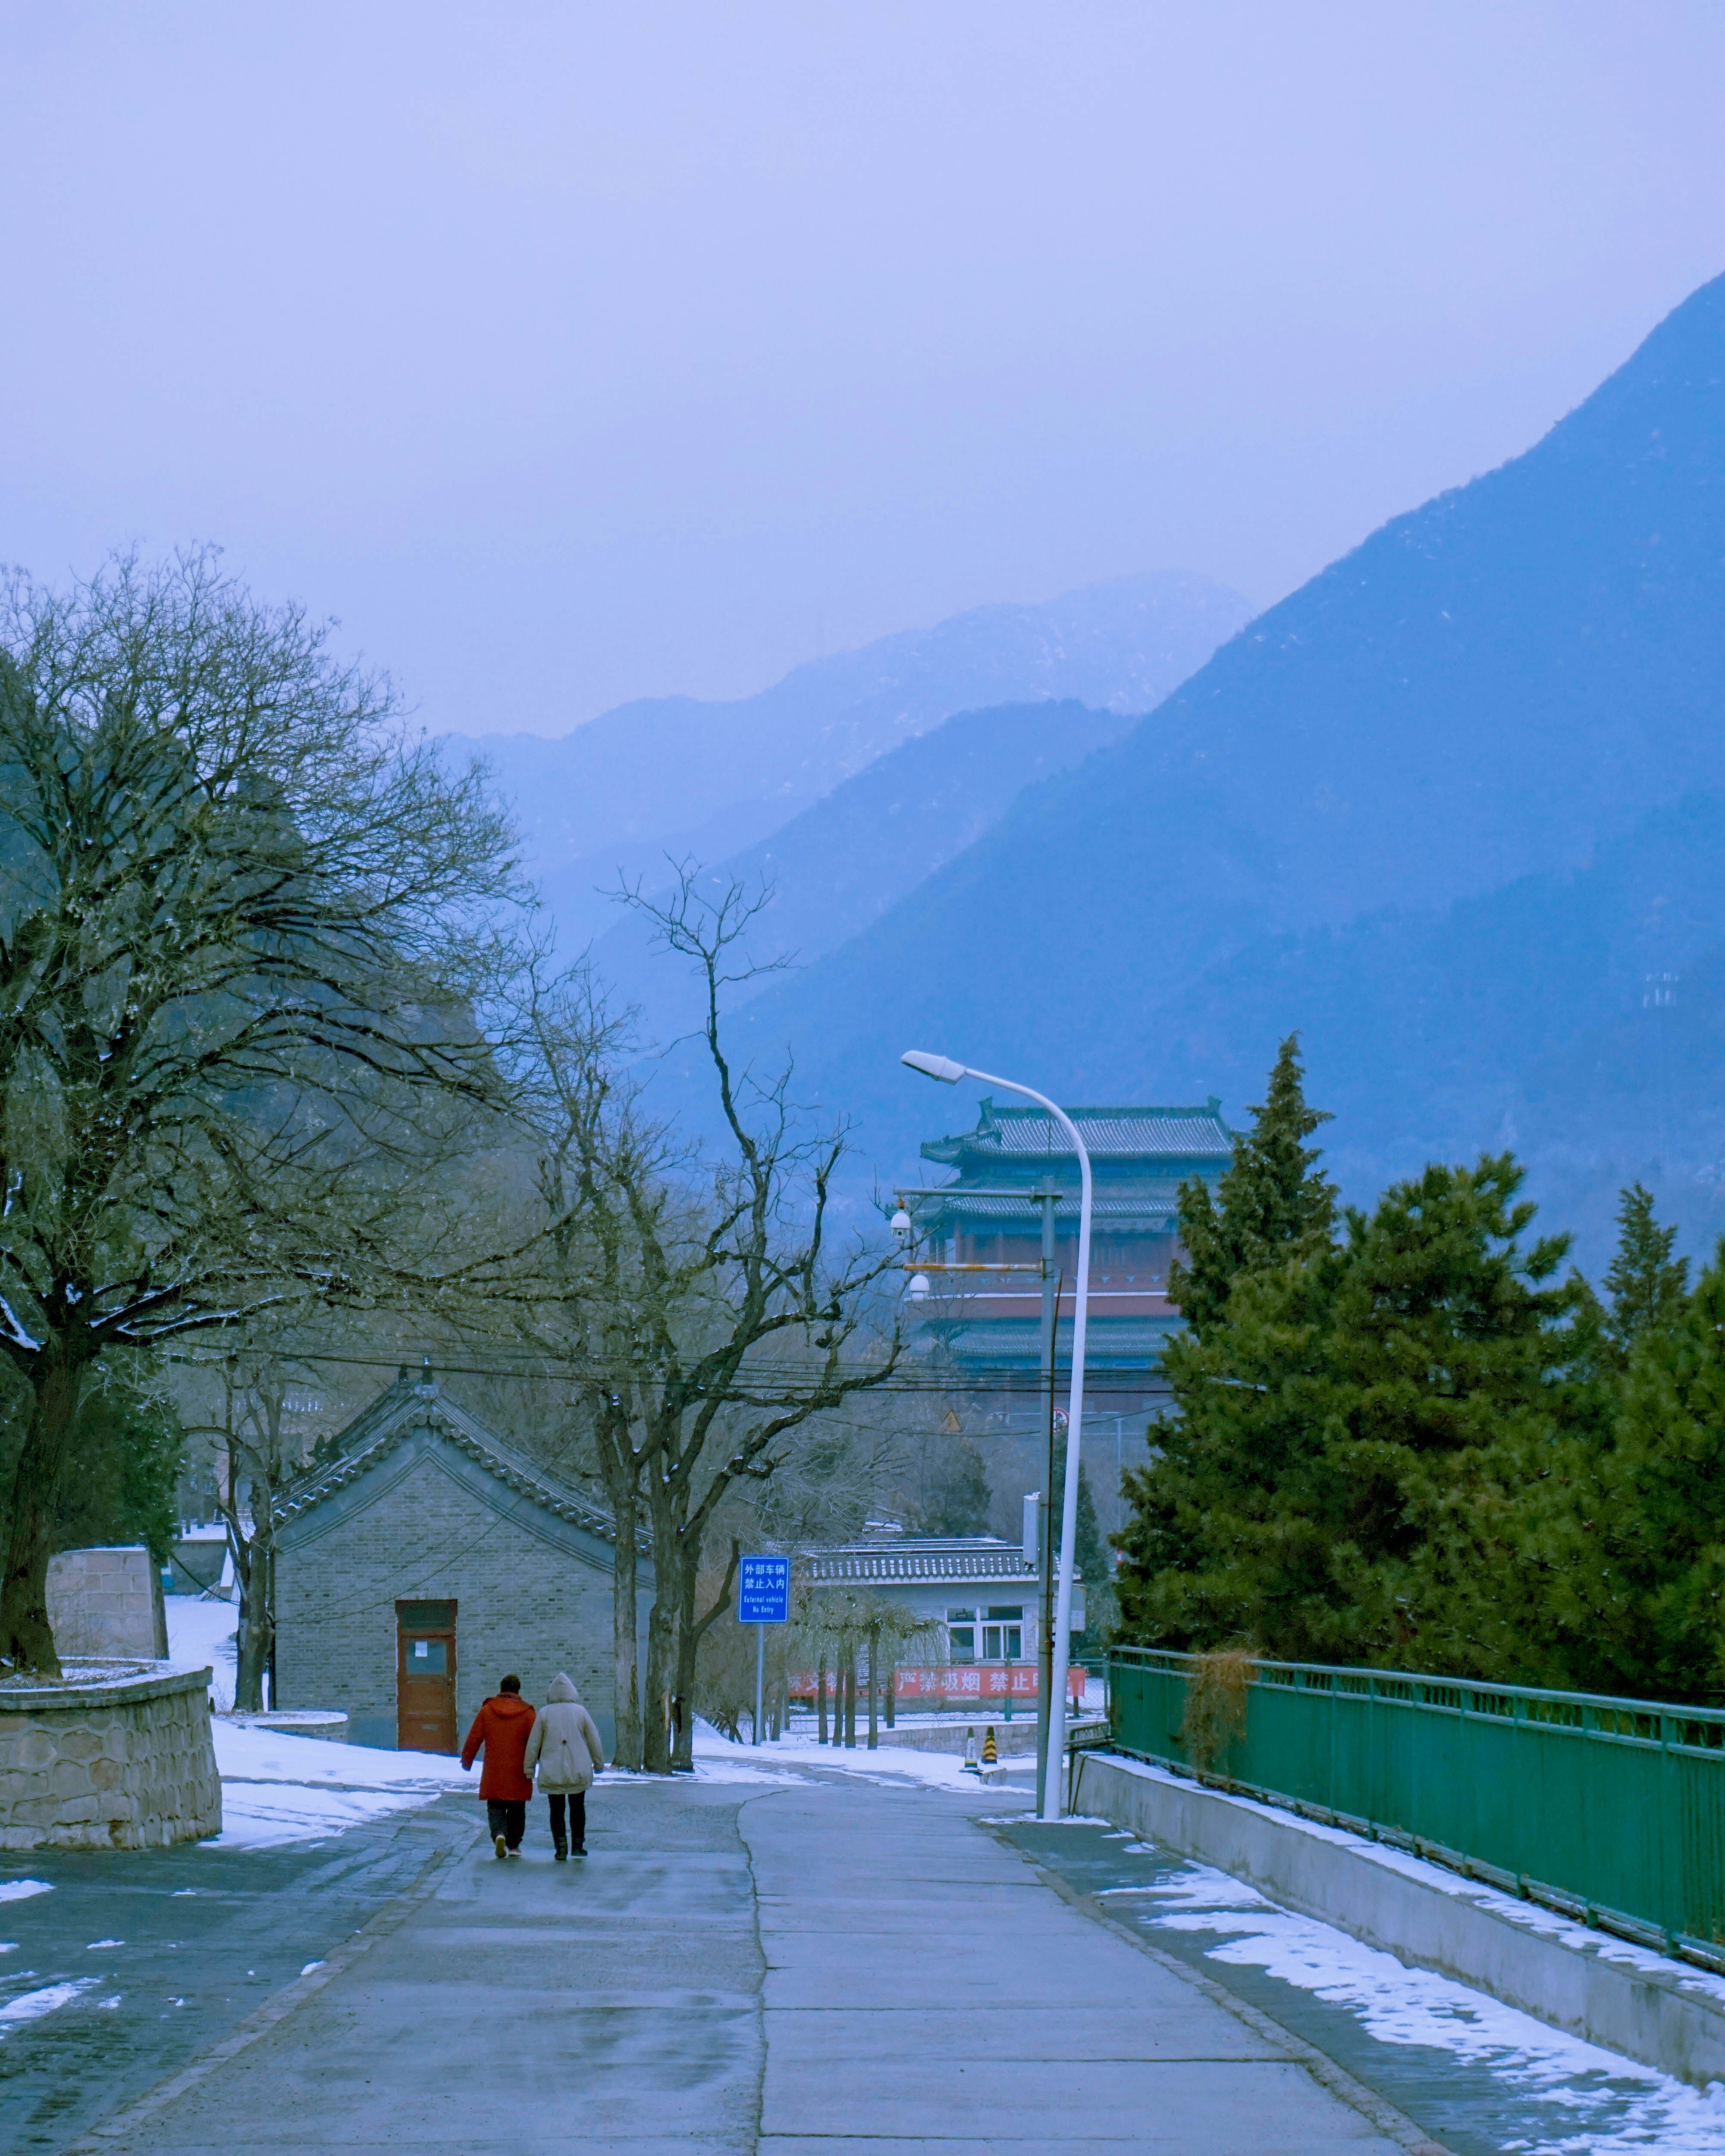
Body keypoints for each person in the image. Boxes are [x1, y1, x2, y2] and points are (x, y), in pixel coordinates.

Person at [523, 1671, 606, 1860]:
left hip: (552, 1770)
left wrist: (529, 1768)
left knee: (556, 1810)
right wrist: (598, 1763)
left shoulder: (545, 1714)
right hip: (579, 1768)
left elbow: (534, 1743)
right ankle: (578, 1845)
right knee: (578, 1808)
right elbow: (594, 1739)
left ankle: (560, 1848)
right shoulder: (580, 1712)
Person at [461, 1673, 537, 1859]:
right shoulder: (528, 1713)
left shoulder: (487, 1710)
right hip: (519, 1770)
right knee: (517, 1808)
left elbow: (474, 1737)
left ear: (501, 1690)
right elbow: (537, 1741)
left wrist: (467, 1760)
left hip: (494, 1769)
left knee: (495, 1805)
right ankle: (514, 1845)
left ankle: (499, 1834)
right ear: (518, 1691)